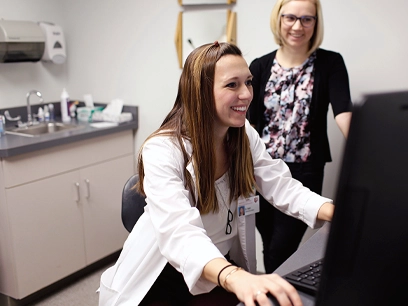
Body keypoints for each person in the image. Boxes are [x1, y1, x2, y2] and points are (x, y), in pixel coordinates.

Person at [98, 41, 334, 306]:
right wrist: (234, 276)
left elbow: (281, 185)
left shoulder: (243, 136)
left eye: (248, 82)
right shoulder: (163, 150)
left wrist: (334, 211)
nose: (246, 94)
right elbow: (181, 233)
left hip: (217, 269)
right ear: (199, 92)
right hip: (162, 276)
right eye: (232, 85)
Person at [247, 0, 353, 273]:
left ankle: (273, 290)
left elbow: (343, 113)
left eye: (307, 19)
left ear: (316, 23)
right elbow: (245, 122)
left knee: (281, 249)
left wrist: (367, 148)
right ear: (278, 19)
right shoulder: (259, 67)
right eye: (290, 17)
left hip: (304, 173)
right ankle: (274, 289)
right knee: (268, 242)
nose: (298, 26)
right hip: (260, 171)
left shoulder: (330, 63)